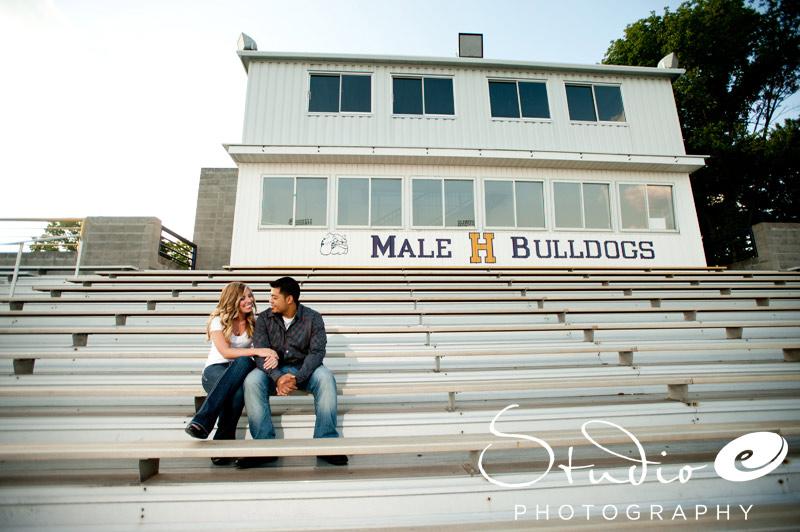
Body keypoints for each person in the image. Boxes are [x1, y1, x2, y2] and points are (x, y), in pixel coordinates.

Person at [236, 276, 347, 468]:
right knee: (252, 380)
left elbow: (317, 352)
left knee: (326, 378)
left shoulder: (313, 318)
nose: (270, 300)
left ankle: (325, 443)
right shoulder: (264, 318)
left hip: (303, 369)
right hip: (273, 370)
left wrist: (297, 378)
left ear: (289, 299)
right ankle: (264, 447)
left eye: (274, 297)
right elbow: (260, 353)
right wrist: (278, 378)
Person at [184, 282, 278, 466]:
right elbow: (226, 352)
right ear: (232, 300)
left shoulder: (255, 322)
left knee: (243, 363)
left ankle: (203, 423)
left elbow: (267, 347)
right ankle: (222, 441)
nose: (249, 300)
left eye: (250, 296)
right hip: (215, 370)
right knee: (238, 388)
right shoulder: (218, 320)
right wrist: (256, 351)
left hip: (241, 370)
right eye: (243, 297)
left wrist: (271, 354)